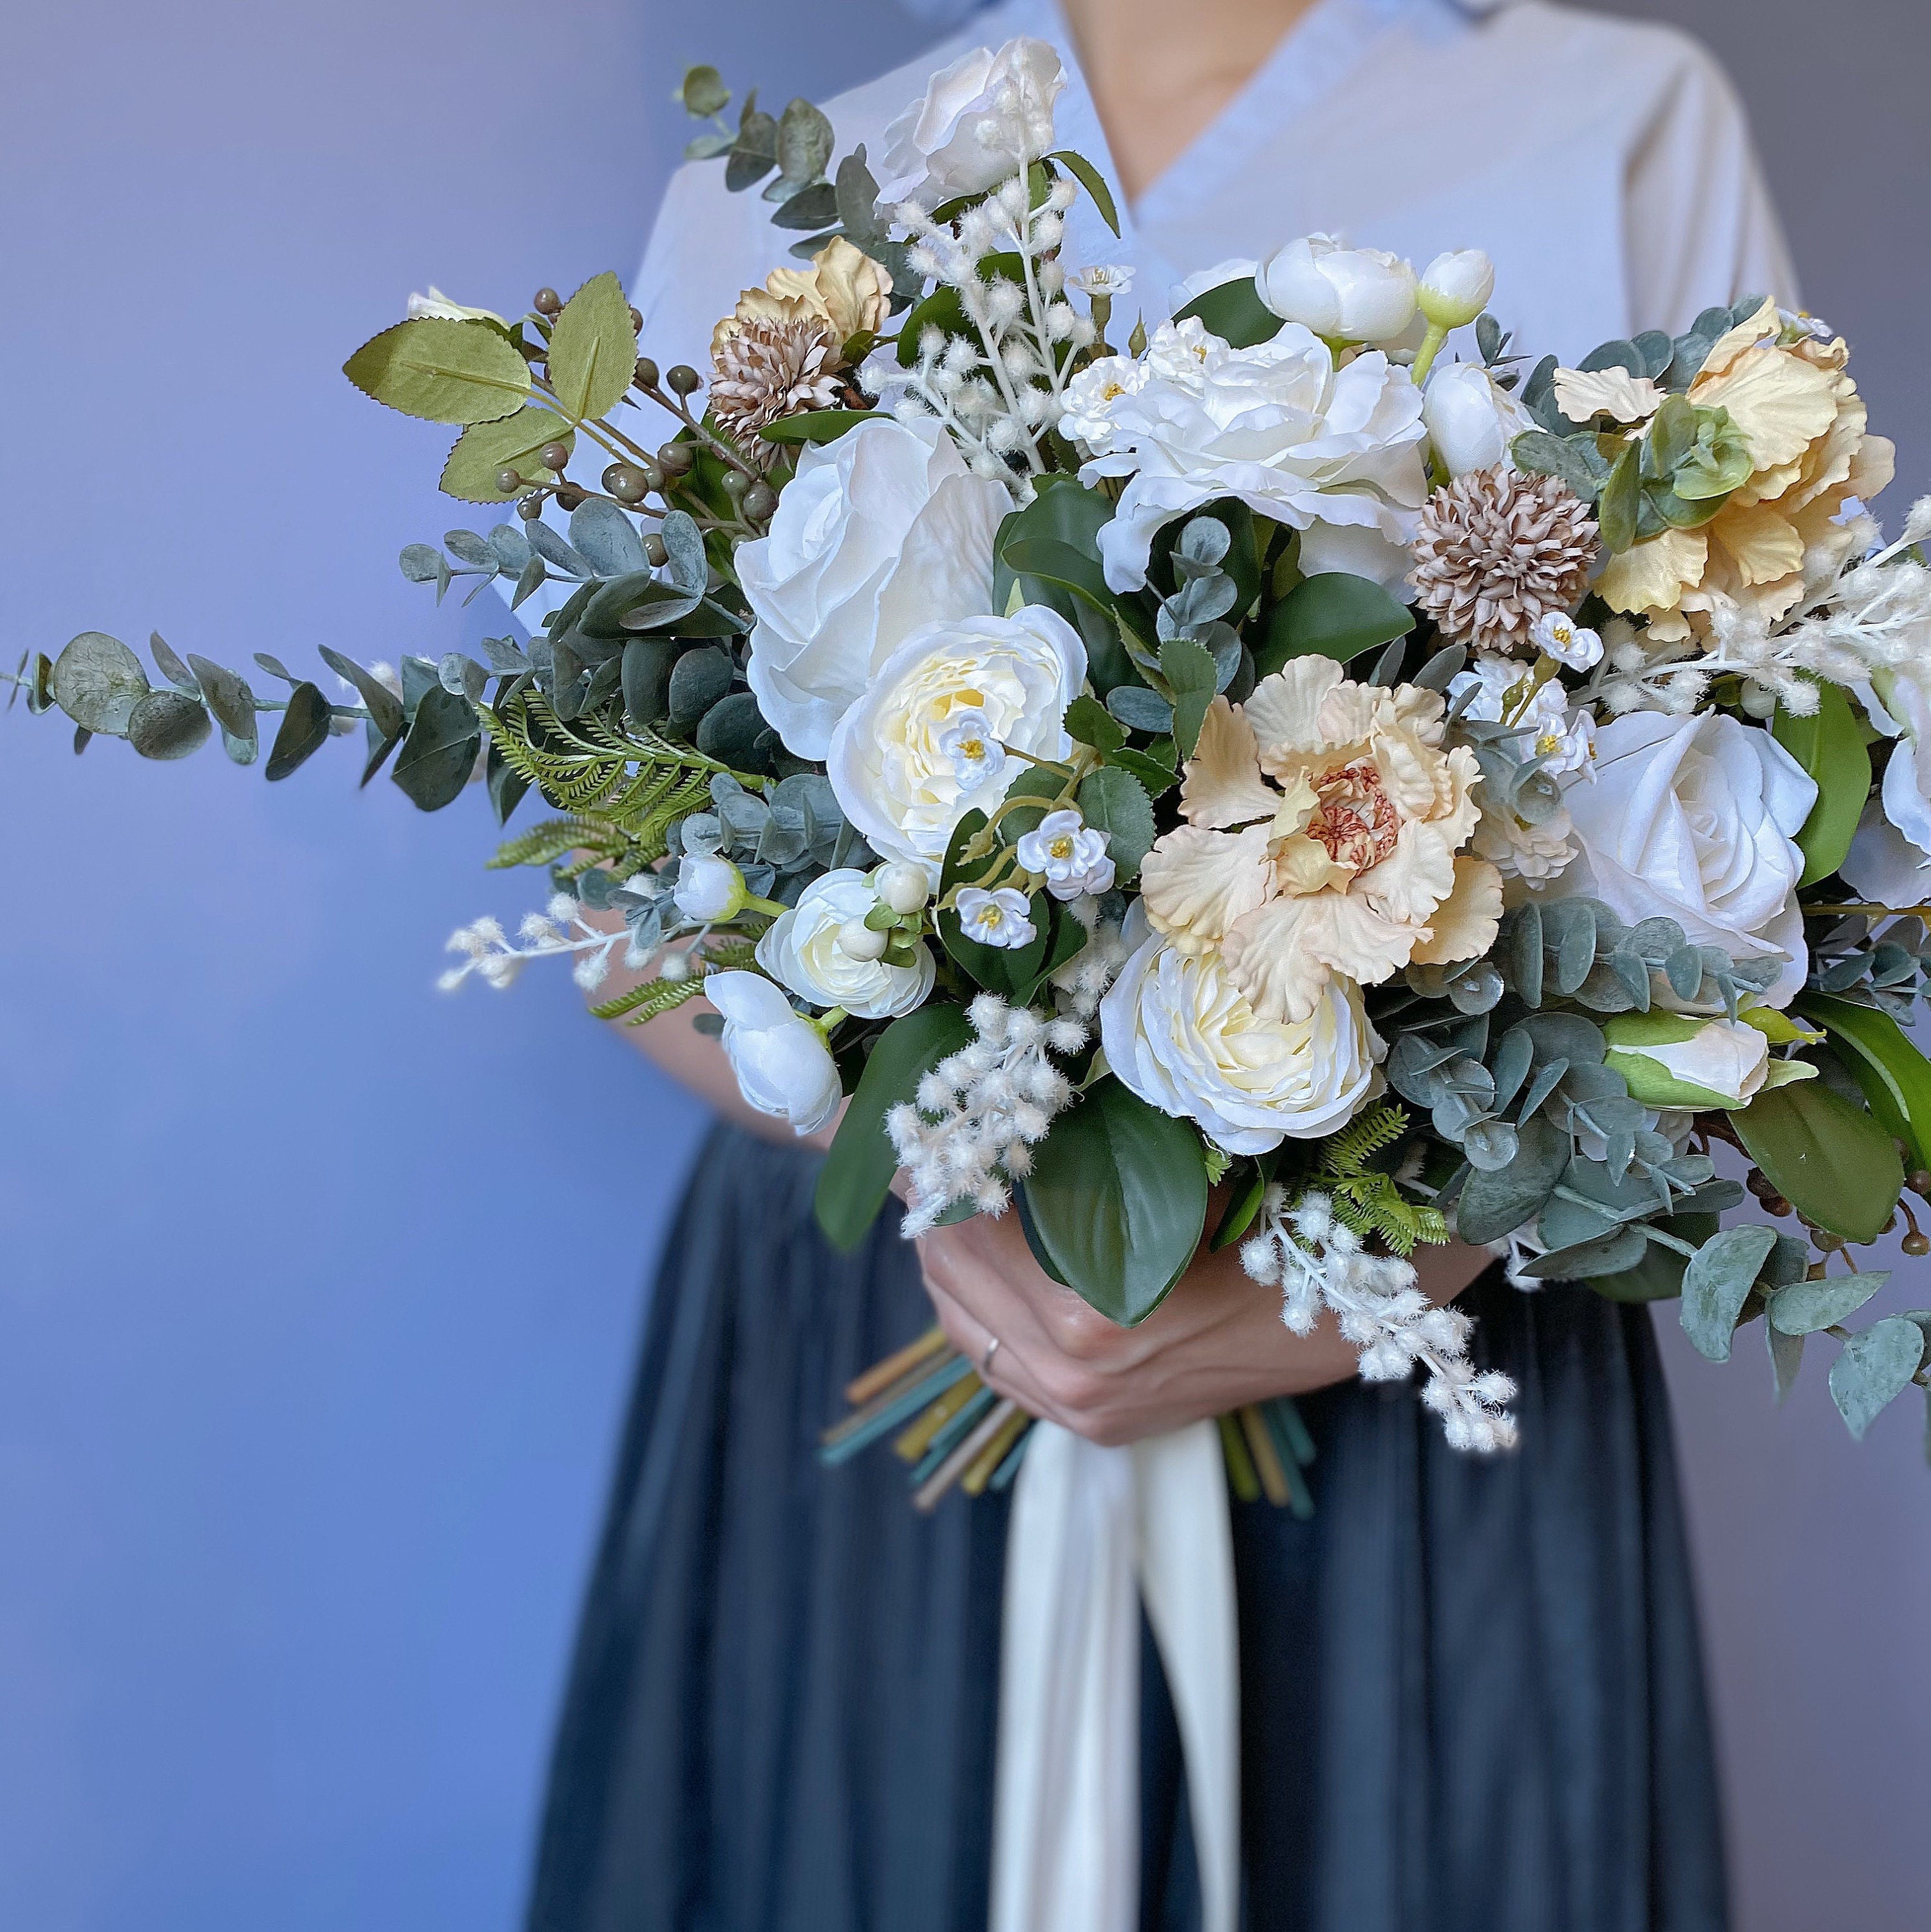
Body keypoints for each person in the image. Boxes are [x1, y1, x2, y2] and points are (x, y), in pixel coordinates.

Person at [524, 1, 1794, 1926]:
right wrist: (956, 1174)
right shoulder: (776, 195)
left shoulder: (1611, 117)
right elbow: (613, 895)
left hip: (1422, 1359)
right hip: (894, 1304)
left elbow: (1786, 837)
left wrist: (1406, 1260)